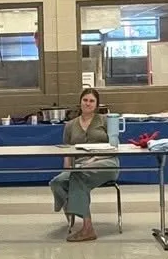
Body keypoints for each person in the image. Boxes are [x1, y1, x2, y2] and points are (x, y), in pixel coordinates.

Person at [48, 86, 117, 242]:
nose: (88, 103)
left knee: (77, 177)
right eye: (85, 100)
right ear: (80, 103)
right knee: (57, 182)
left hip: (106, 162)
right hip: (79, 165)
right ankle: (72, 205)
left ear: (97, 104)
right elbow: (66, 150)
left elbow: (115, 146)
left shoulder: (106, 120)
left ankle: (87, 228)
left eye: (92, 101)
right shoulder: (70, 125)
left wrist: (96, 158)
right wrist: (67, 168)